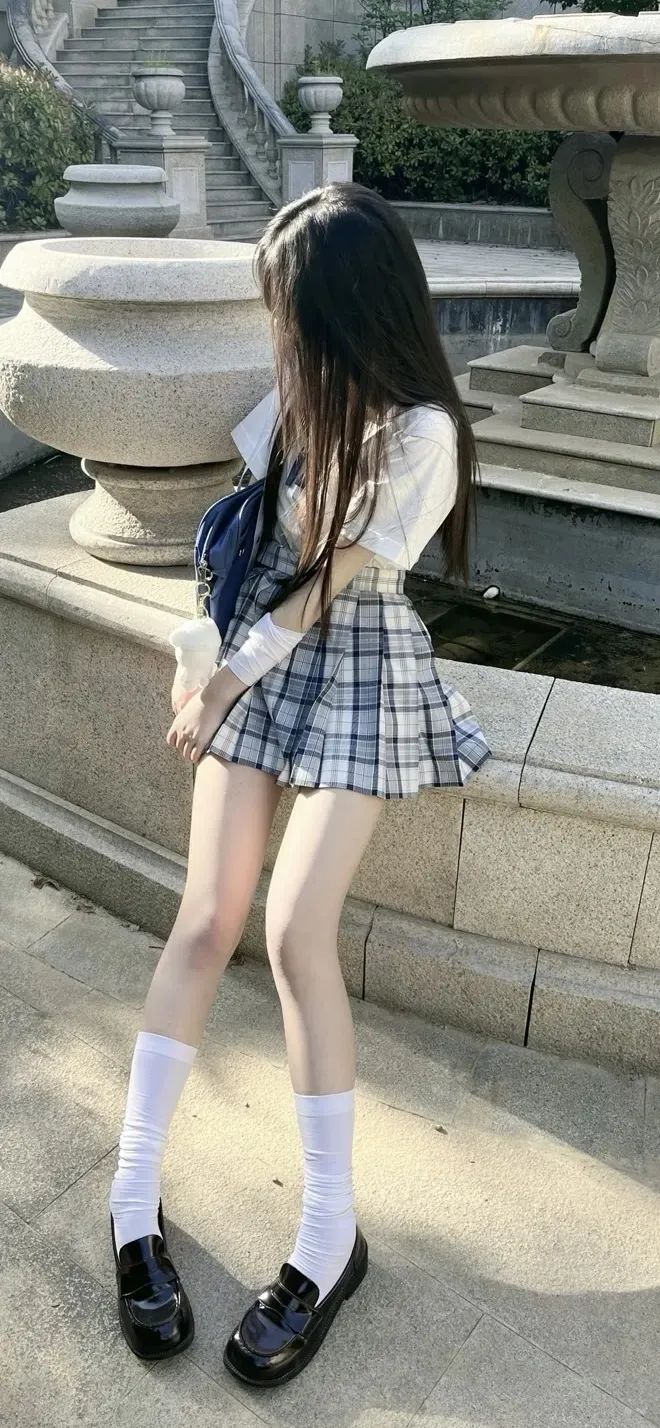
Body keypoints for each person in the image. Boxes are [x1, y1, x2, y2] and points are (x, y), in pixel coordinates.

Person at [108, 182, 490, 1385]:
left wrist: (226, 681)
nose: (278, 334)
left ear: (349, 313)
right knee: (205, 918)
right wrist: (209, 666)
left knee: (292, 932)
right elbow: (254, 548)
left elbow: (325, 585)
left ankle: (330, 1237)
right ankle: (130, 1199)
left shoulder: (420, 437)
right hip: (254, 659)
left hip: (355, 664)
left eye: (290, 314)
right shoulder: (299, 396)